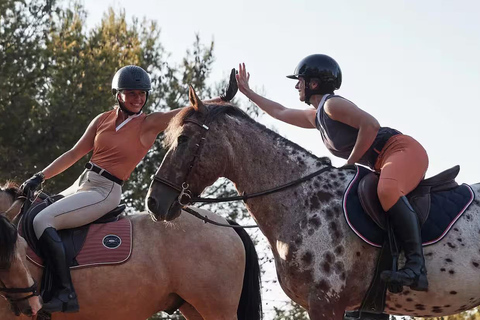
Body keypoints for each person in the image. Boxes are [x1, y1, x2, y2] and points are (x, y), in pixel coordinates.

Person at [20, 65, 225, 313]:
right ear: (119, 95)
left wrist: (221, 100)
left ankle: (65, 293)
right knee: (29, 214)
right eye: (132, 94)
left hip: (104, 191)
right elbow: (74, 153)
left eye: (142, 94)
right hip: (82, 183)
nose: (138, 99)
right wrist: (39, 176)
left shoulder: (148, 123)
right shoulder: (102, 120)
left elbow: (189, 110)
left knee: (43, 220)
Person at [236, 54, 429, 292]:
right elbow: (280, 111)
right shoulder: (316, 116)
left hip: (401, 150)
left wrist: (349, 163)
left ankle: (416, 266)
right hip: (382, 160)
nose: (297, 85)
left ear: (314, 83)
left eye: (300, 80)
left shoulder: (331, 105)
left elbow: (371, 125)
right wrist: (248, 93)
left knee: (387, 190)